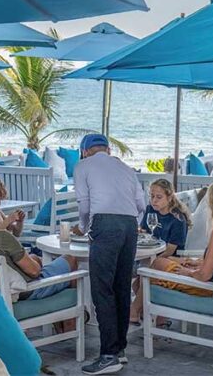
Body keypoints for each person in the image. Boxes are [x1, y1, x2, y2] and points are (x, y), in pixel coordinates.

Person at [73, 133, 145, 374]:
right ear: (108, 150)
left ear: (84, 151)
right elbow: (141, 206)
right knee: (122, 287)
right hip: (129, 226)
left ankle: (107, 355)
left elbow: (84, 204)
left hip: (105, 224)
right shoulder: (126, 168)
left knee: (102, 289)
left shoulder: (83, 166)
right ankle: (119, 349)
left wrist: (84, 228)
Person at [0, 192, 79, 329]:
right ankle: (68, 322)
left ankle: (61, 319)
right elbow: (35, 272)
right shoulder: (2, 238)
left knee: (35, 258)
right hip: (21, 292)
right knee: (70, 259)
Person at [129, 180, 213, 324]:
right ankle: (153, 316)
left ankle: (135, 311)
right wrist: (197, 263)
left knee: (156, 265)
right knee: (145, 277)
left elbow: (204, 275)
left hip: (209, 289)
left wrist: (189, 273)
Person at [140, 179, 190, 257]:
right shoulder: (150, 209)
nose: (154, 200)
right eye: (152, 196)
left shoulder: (178, 219)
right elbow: (143, 231)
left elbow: (169, 251)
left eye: (159, 197)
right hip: (150, 253)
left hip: (169, 258)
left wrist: (153, 261)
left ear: (169, 198)